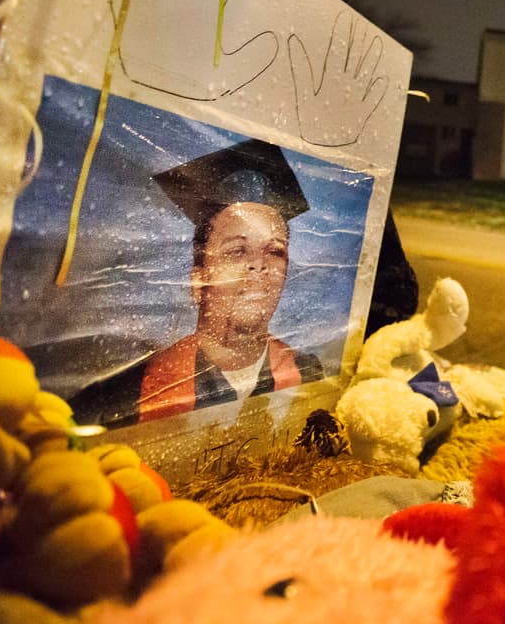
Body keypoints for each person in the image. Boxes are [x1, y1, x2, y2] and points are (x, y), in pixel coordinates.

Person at [72, 139, 322, 427]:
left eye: (275, 251)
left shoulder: (309, 374)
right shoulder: (119, 402)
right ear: (198, 282)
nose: (259, 264)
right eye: (237, 251)